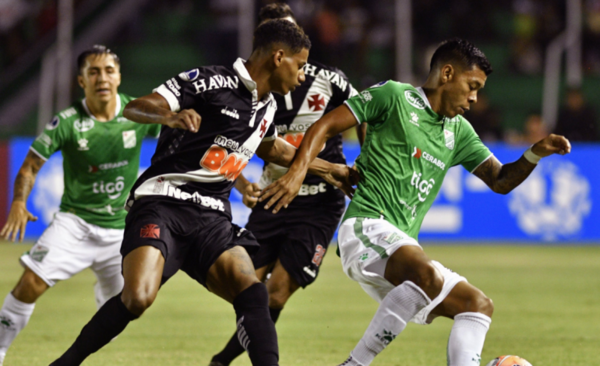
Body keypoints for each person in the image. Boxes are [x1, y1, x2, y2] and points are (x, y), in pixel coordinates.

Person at [49, 19, 355, 366]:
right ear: (278, 57)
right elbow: (135, 107)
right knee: (137, 298)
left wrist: (332, 170)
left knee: (254, 293)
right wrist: (169, 117)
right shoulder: (210, 80)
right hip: (163, 201)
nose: (302, 76)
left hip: (211, 216)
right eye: (300, 66)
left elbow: (273, 150)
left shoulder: (268, 105)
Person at [260, 38, 571, 366]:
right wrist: (296, 173)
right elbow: (324, 126)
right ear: (447, 73)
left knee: (477, 305)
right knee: (428, 276)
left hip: (402, 245)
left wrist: (535, 152)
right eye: (472, 86)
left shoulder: (459, 132)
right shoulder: (394, 96)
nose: (475, 98)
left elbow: (501, 180)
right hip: (367, 225)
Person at [209, 4, 359, 366]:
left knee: (275, 293)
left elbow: (365, 112)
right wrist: (242, 183)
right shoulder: (250, 91)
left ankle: (223, 360)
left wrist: (363, 161)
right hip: (272, 198)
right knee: (243, 287)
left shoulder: (331, 80)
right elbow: (223, 141)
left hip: (319, 203)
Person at [0, 45, 160, 366]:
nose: (102, 77)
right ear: (81, 81)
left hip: (120, 229)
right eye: (93, 72)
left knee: (123, 312)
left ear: (119, 77)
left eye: (108, 71)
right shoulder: (66, 122)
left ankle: (108, 298)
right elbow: (30, 166)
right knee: (29, 283)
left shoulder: (138, 113)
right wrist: (19, 200)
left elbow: (175, 140)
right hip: (75, 224)